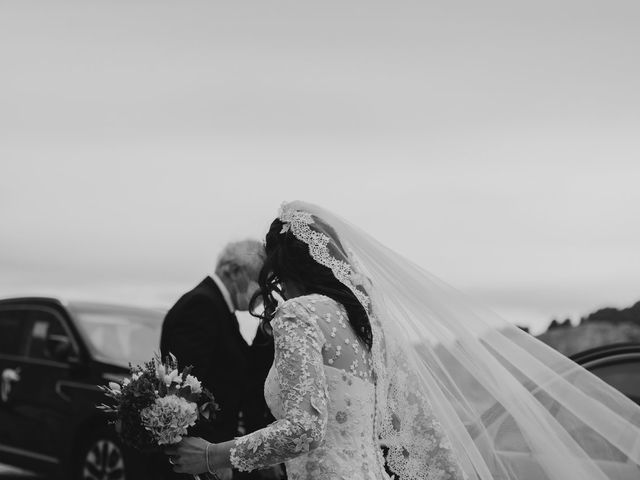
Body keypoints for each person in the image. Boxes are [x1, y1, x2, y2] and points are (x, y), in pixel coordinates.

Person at [167, 201, 640, 480]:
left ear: (282, 266)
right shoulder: (360, 321)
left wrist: (211, 455)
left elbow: (305, 428)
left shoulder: (299, 315)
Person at [160, 239, 278, 480]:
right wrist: (211, 458)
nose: (260, 290)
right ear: (233, 271)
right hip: (201, 456)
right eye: (258, 280)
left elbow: (241, 371)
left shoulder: (220, 308)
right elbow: (186, 390)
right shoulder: (201, 305)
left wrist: (265, 334)